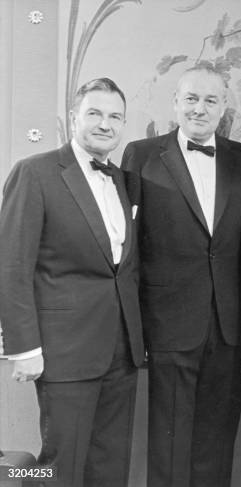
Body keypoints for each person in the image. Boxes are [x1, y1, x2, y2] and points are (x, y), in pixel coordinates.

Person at [0, 78, 144, 487]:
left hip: (121, 348)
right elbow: (11, 265)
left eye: (115, 116)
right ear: (72, 119)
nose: (105, 124)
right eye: (94, 113)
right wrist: (24, 347)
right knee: (58, 467)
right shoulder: (35, 172)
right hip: (64, 350)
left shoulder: (121, 179)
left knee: (111, 463)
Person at [121, 66, 241, 487]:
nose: (200, 108)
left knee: (217, 441)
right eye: (192, 99)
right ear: (176, 103)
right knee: (168, 442)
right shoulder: (140, 154)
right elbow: (127, 247)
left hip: (229, 326)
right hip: (167, 322)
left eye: (211, 100)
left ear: (224, 108)